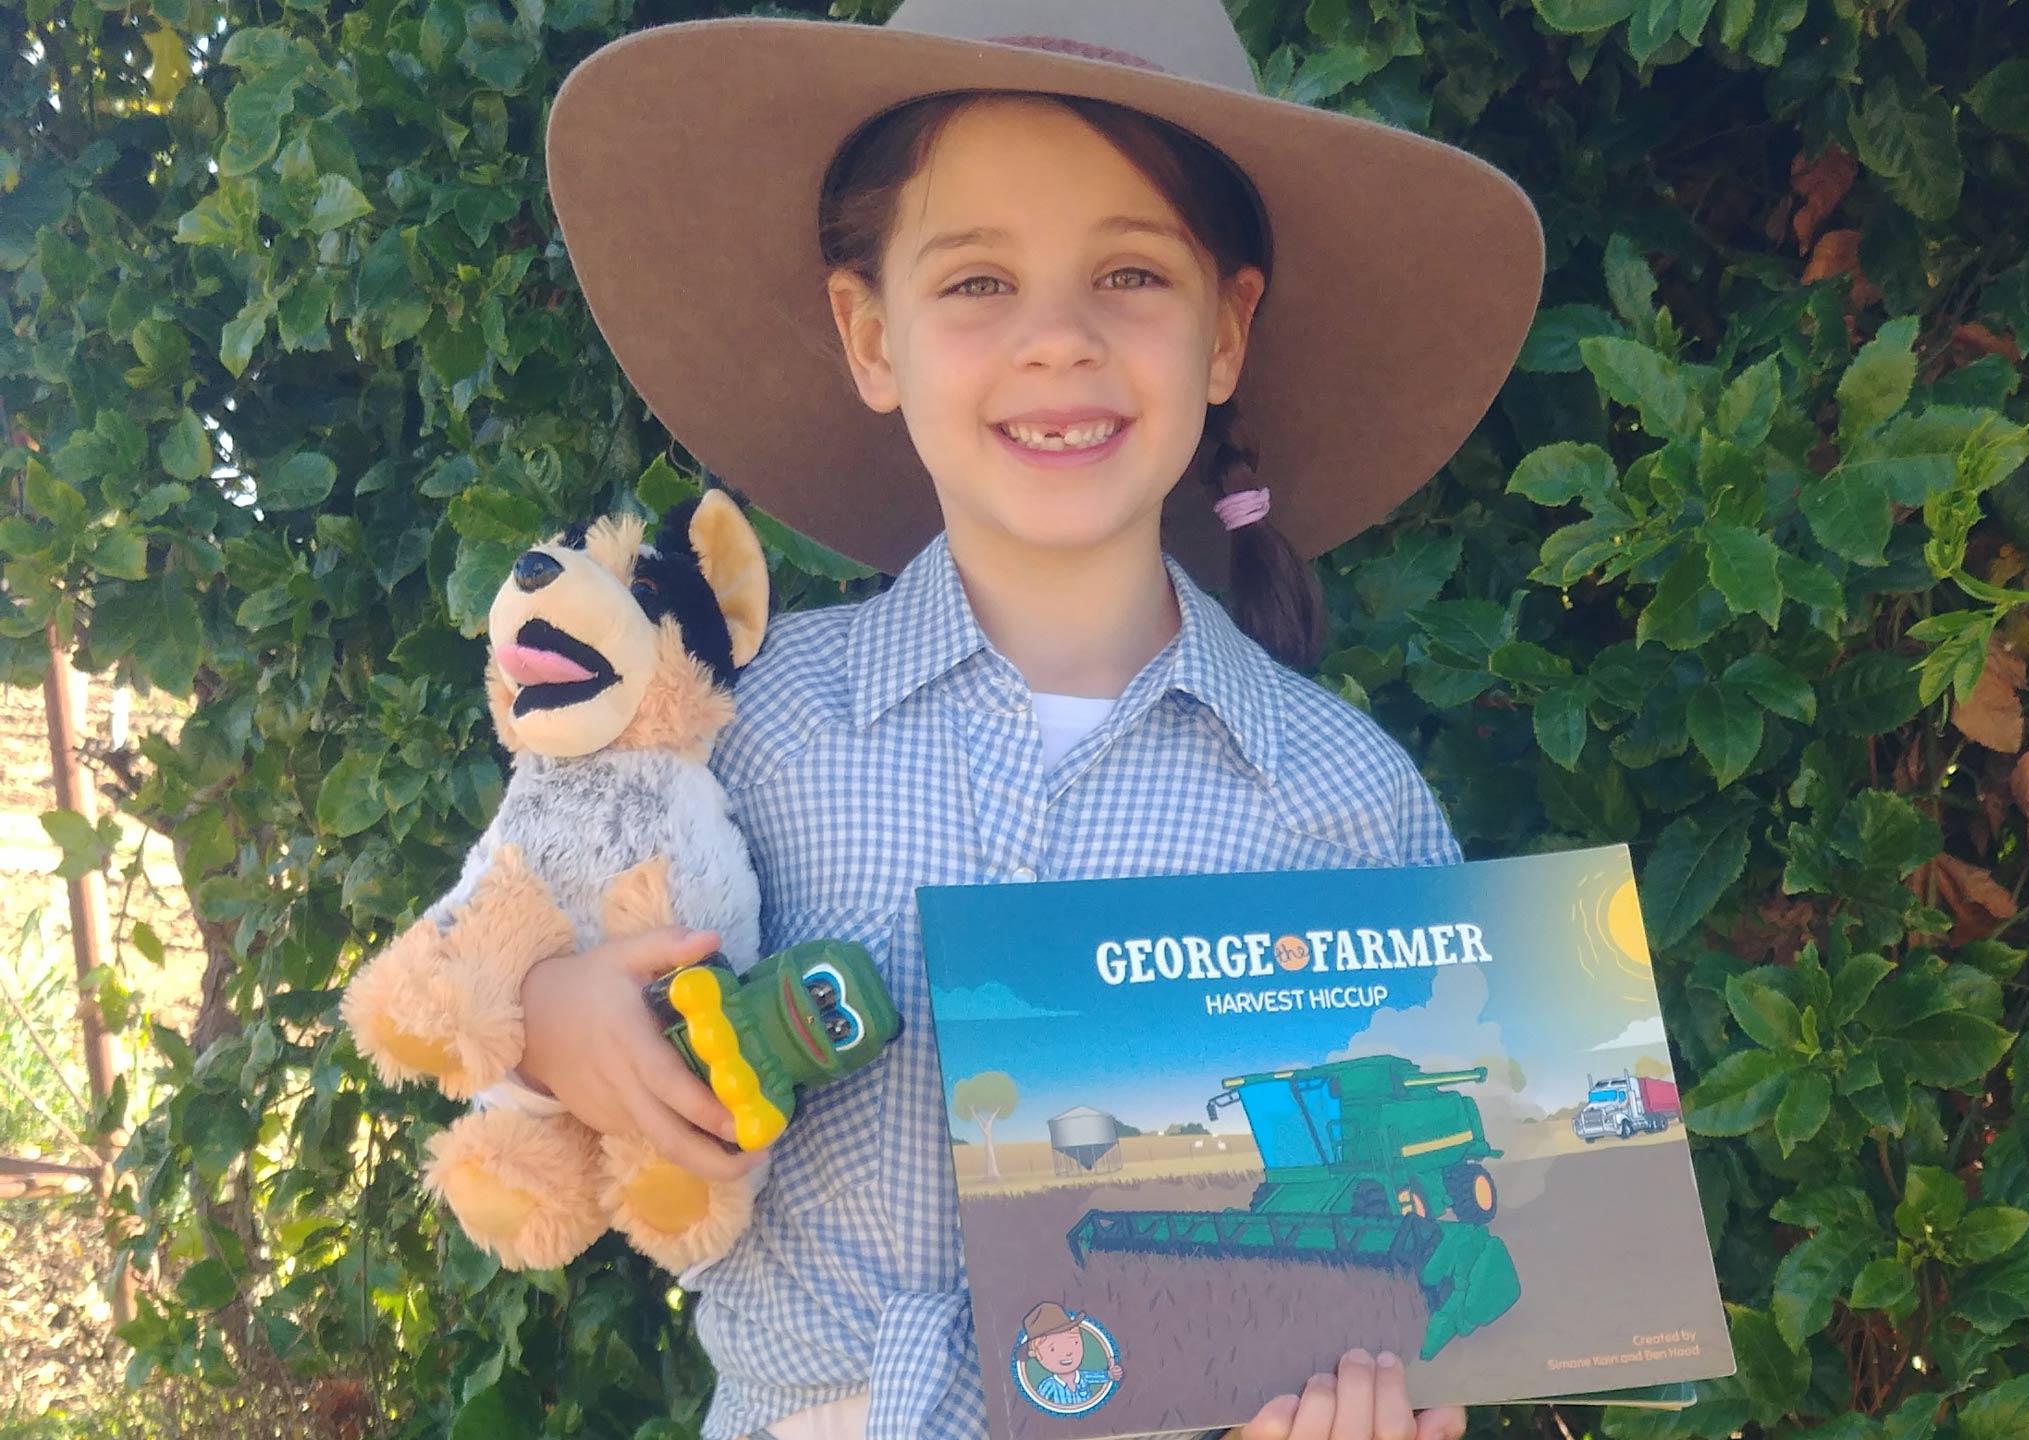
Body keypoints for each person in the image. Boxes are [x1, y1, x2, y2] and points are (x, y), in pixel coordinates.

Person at [507, 4, 1543, 1439]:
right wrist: (557, 1023)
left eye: (1129, 273)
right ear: (871, 336)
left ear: (1225, 331)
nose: (1057, 341)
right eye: (978, 281)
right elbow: (503, 976)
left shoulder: (1346, 805)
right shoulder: (743, 727)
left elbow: (1444, 1320)